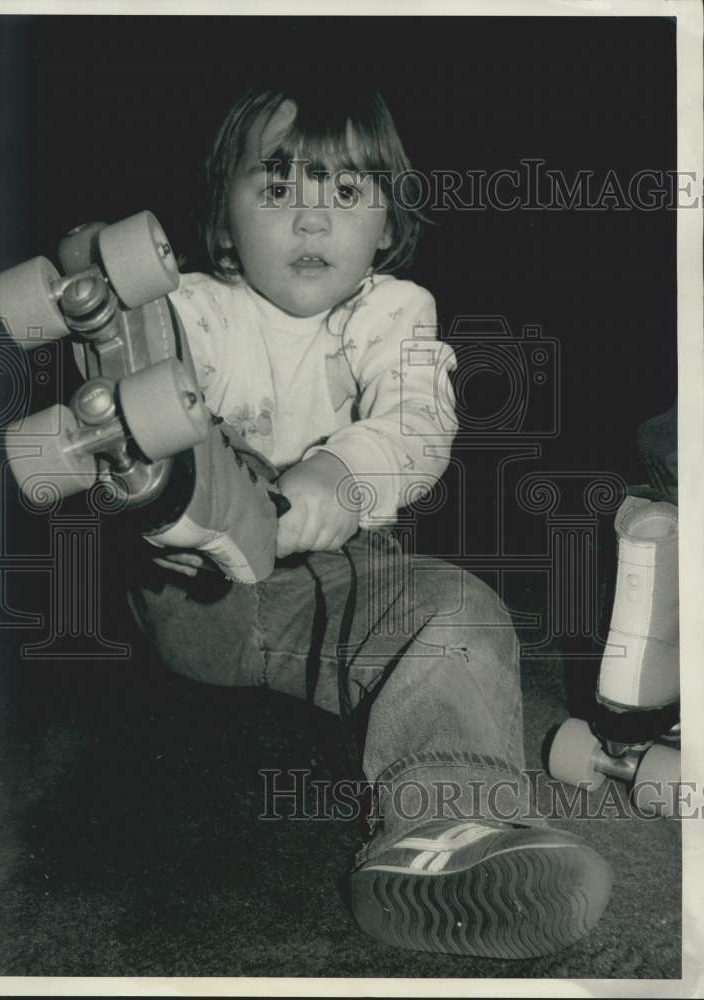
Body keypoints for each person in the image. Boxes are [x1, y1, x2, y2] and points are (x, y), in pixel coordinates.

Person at [127, 78, 613, 959]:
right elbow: (144, 364)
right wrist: (108, 343)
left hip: (336, 578)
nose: (310, 222)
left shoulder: (395, 313)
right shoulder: (196, 310)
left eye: (344, 191)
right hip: (201, 595)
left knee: (464, 612)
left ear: (385, 224)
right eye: (276, 190)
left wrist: (322, 482)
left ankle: (443, 831)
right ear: (222, 219)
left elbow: (414, 427)